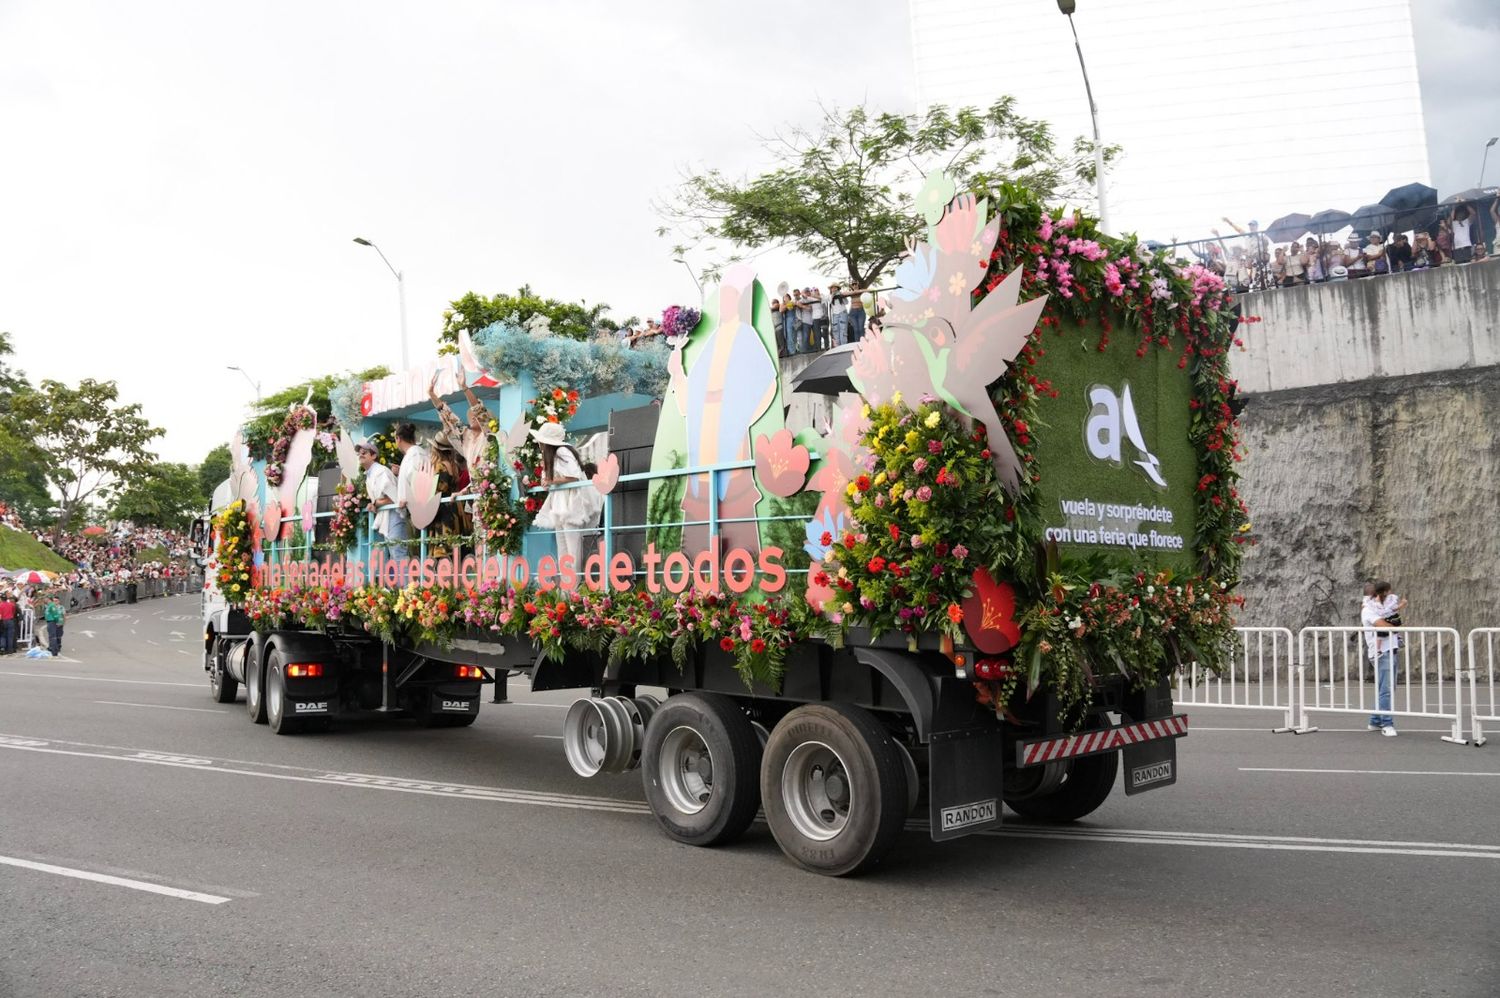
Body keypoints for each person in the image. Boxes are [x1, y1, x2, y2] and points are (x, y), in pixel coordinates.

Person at [529, 421, 599, 570]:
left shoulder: (562, 451)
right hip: (561, 503)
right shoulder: (554, 454)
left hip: (571, 504)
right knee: (564, 549)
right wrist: (548, 481)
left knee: (572, 548)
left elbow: (573, 476)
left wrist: (551, 480)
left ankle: (574, 586)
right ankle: (568, 588)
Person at [1361, 580, 1404, 736]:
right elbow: (1383, 625)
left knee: (1386, 688)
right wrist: (1394, 624)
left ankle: (1375, 721)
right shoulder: (1368, 610)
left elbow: (1392, 618)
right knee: (1386, 689)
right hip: (1381, 653)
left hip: (1390, 649)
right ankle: (1387, 723)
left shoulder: (1381, 609)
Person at [391, 421, 425, 566]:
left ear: (398, 439)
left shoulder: (414, 454)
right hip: (413, 509)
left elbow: (417, 478)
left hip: (415, 509)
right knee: (414, 549)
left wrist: (407, 497)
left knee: (416, 550)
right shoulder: (413, 454)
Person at [358, 440, 399, 553]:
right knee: (394, 555)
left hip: (393, 515)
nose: (361, 455)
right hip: (387, 517)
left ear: (374, 456)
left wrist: (375, 504)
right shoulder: (370, 474)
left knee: (398, 554)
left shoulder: (381, 472)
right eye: (359, 453)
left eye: (364, 452)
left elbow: (393, 498)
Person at [829, 283, 848, 348]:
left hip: (842, 312)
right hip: (835, 314)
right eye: (832, 288)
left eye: (835, 287)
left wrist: (842, 296)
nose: (834, 289)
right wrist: (833, 295)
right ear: (830, 289)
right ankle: (838, 347)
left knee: (843, 330)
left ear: (838, 288)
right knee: (835, 331)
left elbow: (846, 302)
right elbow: (829, 302)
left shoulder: (841, 294)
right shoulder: (829, 296)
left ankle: (844, 346)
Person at [0, 590, 15, 655]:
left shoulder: (0, 605)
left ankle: (3, 648)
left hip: (3, 620)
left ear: (1, 599)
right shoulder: (11, 604)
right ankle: (10, 650)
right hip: (10, 620)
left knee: (3, 635)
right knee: (10, 636)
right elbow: (13, 612)